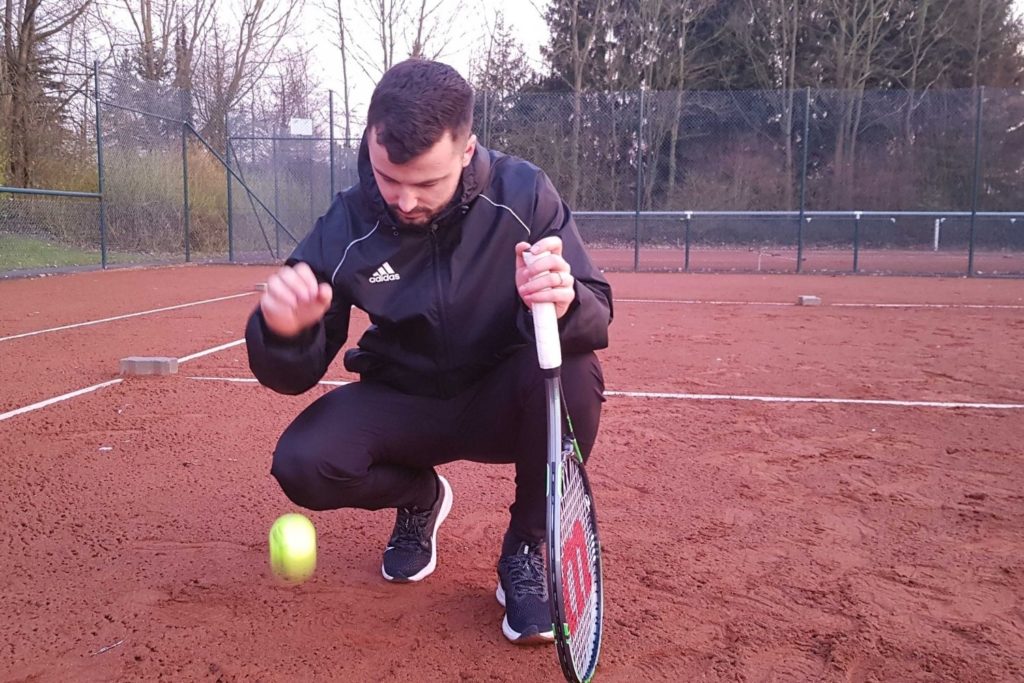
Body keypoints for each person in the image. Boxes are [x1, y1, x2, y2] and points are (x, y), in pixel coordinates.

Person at [245, 59, 612, 645]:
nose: (405, 200)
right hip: (406, 400)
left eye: (426, 183)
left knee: (575, 371)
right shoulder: (347, 222)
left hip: (500, 396)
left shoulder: (523, 194)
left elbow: (597, 311)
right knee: (303, 463)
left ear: (467, 150)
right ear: (371, 141)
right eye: (390, 178)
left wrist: (566, 301)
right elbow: (293, 376)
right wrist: (286, 331)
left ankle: (527, 543)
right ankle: (421, 498)